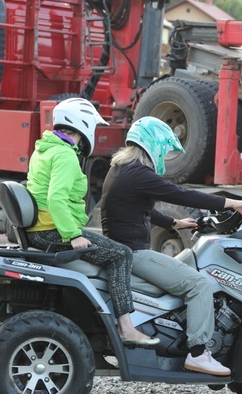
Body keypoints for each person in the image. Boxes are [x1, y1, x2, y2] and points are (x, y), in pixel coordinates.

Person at [99, 116, 242, 376]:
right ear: (155, 145)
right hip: (134, 254)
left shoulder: (120, 169)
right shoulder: (140, 173)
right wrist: (232, 203)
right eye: (166, 150)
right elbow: (182, 195)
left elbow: (137, 209)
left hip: (123, 248)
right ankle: (198, 353)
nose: (166, 156)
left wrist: (174, 223)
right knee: (199, 284)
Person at [25, 98, 158, 346]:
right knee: (121, 254)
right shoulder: (64, 155)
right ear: (82, 125)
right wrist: (73, 235)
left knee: (107, 247)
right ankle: (127, 327)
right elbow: (55, 200)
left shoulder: (44, 148)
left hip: (41, 229)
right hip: (51, 230)